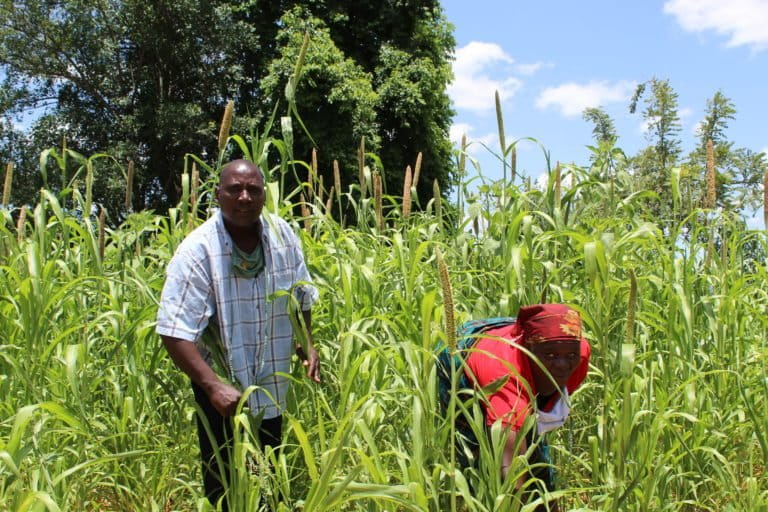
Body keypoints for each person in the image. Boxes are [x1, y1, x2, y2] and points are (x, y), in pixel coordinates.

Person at [156, 159, 320, 510]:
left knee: (270, 476)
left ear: (264, 196)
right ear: (218, 194)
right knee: (224, 485)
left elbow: (301, 295)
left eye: (253, 190)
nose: (244, 197)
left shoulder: (282, 236)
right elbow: (173, 330)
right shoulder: (197, 250)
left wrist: (307, 342)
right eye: (234, 189)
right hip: (221, 389)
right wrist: (212, 386)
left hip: (272, 382)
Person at [463, 304, 590, 509]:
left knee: (536, 456)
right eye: (551, 356)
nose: (562, 365)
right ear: (528, 349)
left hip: (519, 370)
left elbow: (547, 401)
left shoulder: (579, 353)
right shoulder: (503, 374)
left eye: (570, 356)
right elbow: (511, 474)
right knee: (477, 464)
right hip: (466, 368)